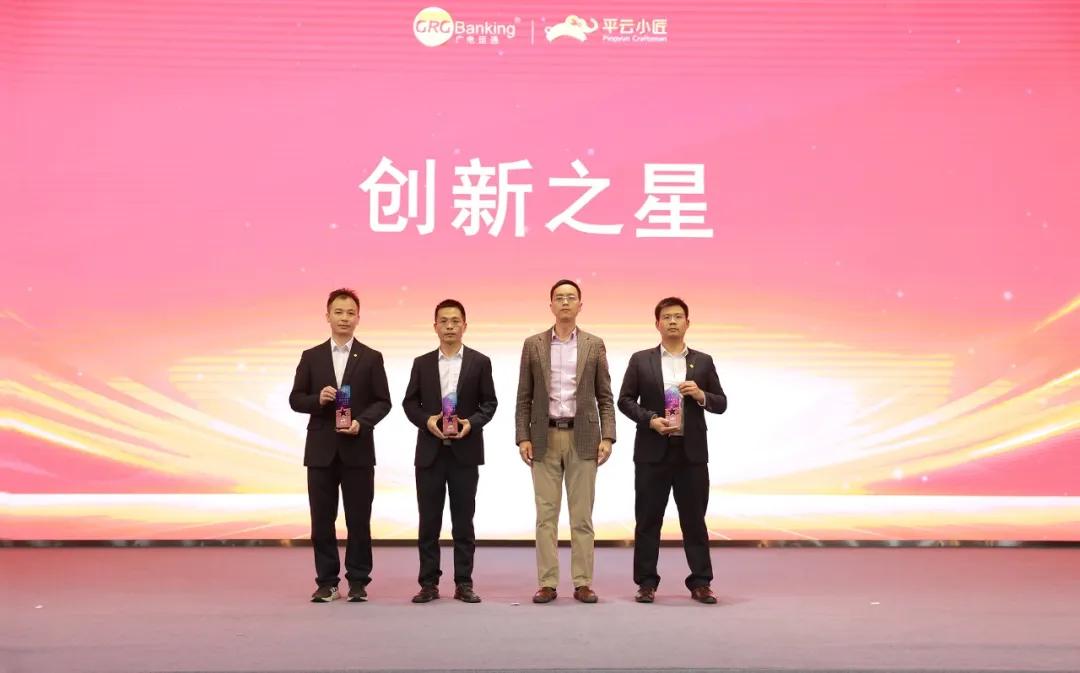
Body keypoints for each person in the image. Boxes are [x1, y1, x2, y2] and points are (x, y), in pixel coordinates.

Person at [617, 297, 727, 604]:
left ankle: (701, 582)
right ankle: (646, 583)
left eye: (678, 316)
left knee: (694, 520)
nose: (673, 322)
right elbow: (625, 400)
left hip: (691, 454)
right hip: (652, 452)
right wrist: (650, 420)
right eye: (667, 317)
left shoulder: (703, 361)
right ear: (657, 324)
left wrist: (701, 395)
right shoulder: (641, 360)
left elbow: (721, 403)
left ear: (688, 323)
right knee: (648, 520)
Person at [515, 279, 616, 604]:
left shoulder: (593, 344)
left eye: (571, 297)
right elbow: (524, 397)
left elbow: (605, 396)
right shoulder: (533, 344)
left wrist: (608, 436)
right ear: (551, 305)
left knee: (581, 516)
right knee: (545, 516)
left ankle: (583, 582)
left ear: (580, 305)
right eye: (559, 298)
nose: (565, 302)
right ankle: (547, 582)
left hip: (584, 437)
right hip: (543, 438)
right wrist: (523, 437)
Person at [289, 288, 391, 602]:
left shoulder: (371, 357)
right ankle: (327, 582)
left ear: (358, 318)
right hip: (320, 451)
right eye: (338, 312)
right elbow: (296, 399)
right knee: (322, 520)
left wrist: (362, 422)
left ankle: (358, 581)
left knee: (358, 519)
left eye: (350, 313)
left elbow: (383, 401)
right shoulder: (311, 356)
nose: (344, 318)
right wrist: (317, 399)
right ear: (327, 316)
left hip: (358, 449)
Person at [402, 299, 498, 604]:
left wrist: (471, 423)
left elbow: (489, 403)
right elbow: (409, 403)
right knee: (428, 521)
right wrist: (427, 421)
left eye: (455, 321)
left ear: (465, 326)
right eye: (443, 321)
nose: (449, 327)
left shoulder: (480, 362)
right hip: (430, 453)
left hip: (465, 453)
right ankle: (428, 583)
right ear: (435, 327)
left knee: (463, 522)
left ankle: (464, 583)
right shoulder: (422, 363)